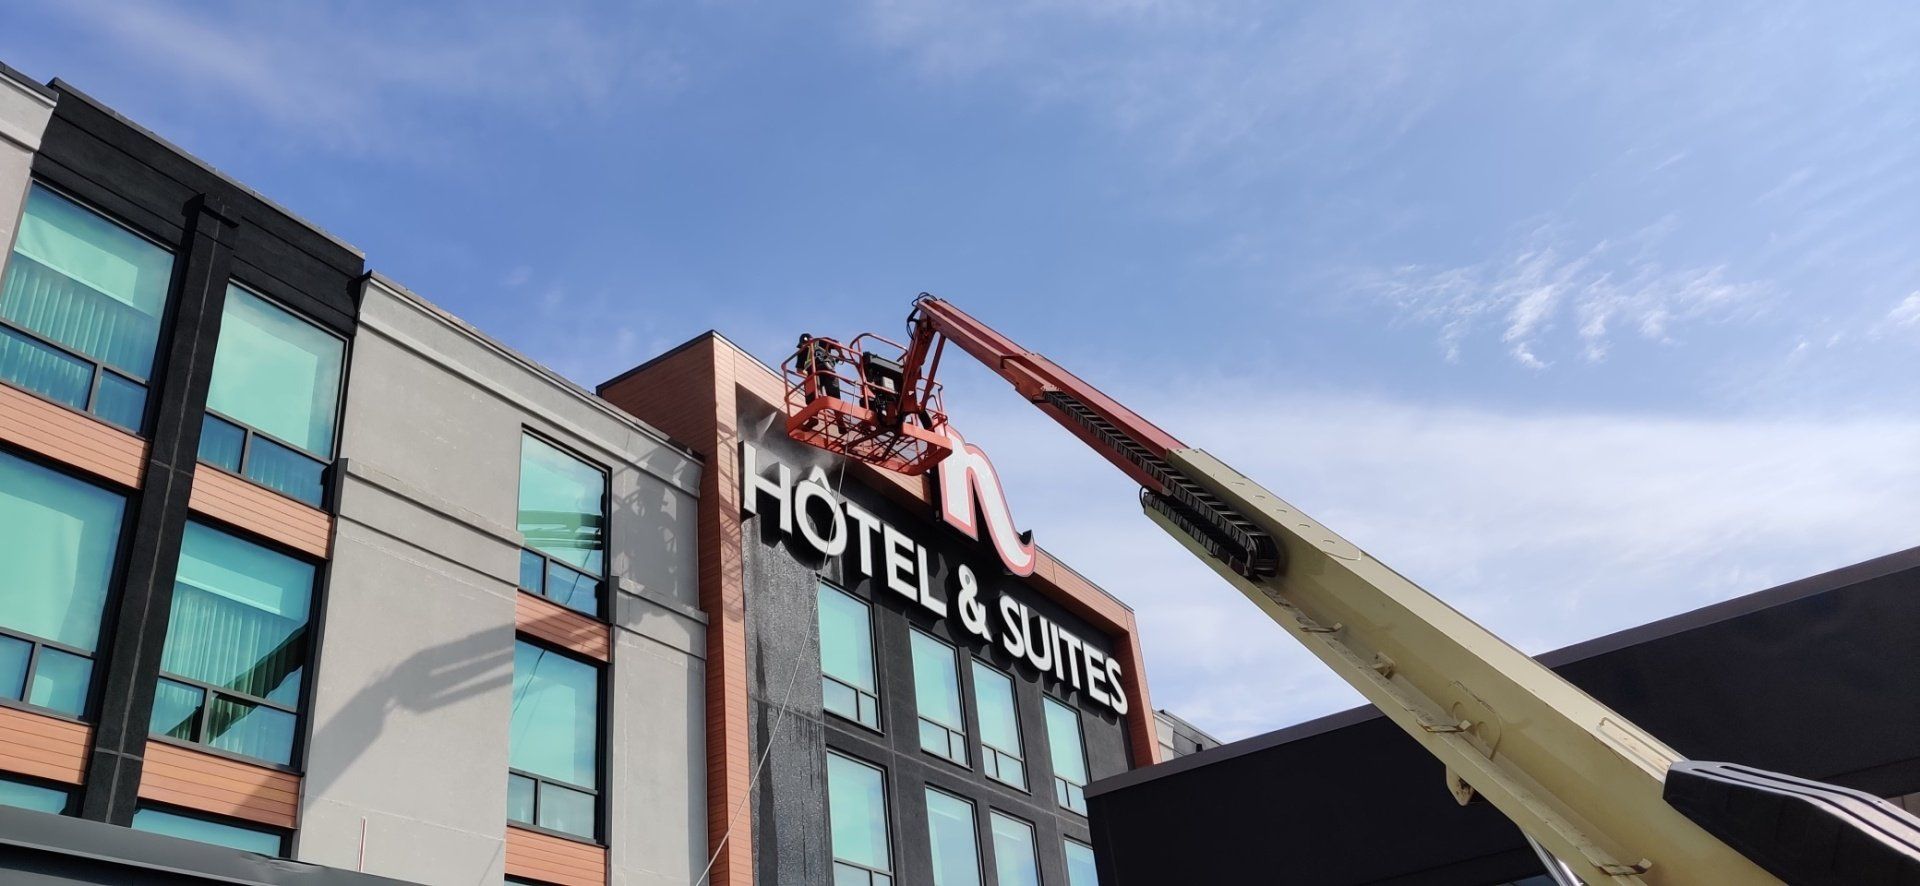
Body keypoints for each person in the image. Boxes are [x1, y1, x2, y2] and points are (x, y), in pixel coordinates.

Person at [795, 334, 841, 401]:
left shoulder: (802, 351)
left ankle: (817, 403)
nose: (802, 346)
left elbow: (799, 370)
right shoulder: (822, 341)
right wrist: (840, 354)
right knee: (834, 397)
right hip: (827, 370)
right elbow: (837, 343)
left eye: (802, 344)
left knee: (812, 399)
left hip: (815, 375)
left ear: (804, 341)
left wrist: (808, 376)